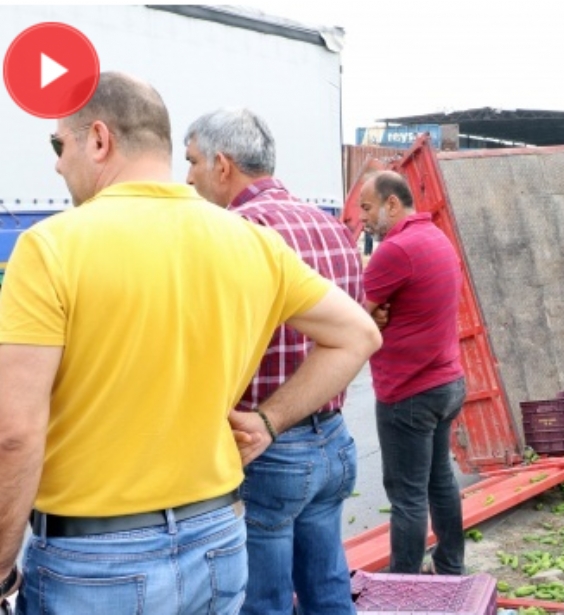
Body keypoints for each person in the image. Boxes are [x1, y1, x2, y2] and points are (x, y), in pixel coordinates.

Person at [0, 72, 381, 614]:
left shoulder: (51, 247)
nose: (58, 164)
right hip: (217, 543)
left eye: (59, 145)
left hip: (95, 561)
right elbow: (359, 334)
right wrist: (271, 420)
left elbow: (14, 434)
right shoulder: (251, 241)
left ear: (100, 140)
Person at [184, 108, 364, 614]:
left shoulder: (238, 233)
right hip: (333, 439)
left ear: (222, 165)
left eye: (193, 161)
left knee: (262, 601)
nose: (188, 176)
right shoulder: (330, 227)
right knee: (327, 588)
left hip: (268, 446)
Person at [359, 171, 467, 575]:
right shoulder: (436, 238)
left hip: (408, 393)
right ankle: (451, 569)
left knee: (406, 496)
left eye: (367, 208)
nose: (363, 220)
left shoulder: (396, 250)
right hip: (446, 384)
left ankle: (403, 585)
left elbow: (352, 314)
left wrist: (375, 318)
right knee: (440, 480)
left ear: (392, 203)